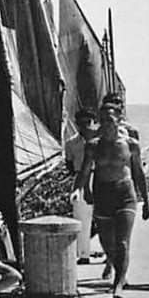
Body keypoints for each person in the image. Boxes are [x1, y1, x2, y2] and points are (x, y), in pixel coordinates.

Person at [79, 99, 149, 298]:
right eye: (103, 120)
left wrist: (145, 200)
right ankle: (118, 268)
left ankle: (118, 285)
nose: (107, 124)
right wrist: (81, 190)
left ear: (119, 120)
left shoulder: (130, 144)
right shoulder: (93, 146)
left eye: (110, 120)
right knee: (106, 242)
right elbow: (84, 171)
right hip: (102, 193)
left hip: (125, 193)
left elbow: (138, 173)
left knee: (122, 243)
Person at [63, 109, 99, 261]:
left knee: (104, 217)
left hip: (99, 176)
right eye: (81, 123)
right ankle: (83, 254)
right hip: (81, 178)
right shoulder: (71, 143)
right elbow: (69, 165)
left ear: (94, 122)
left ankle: (110, 256)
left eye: (88, 123)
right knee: (81, 219)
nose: (85, 127)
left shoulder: (100, 140)